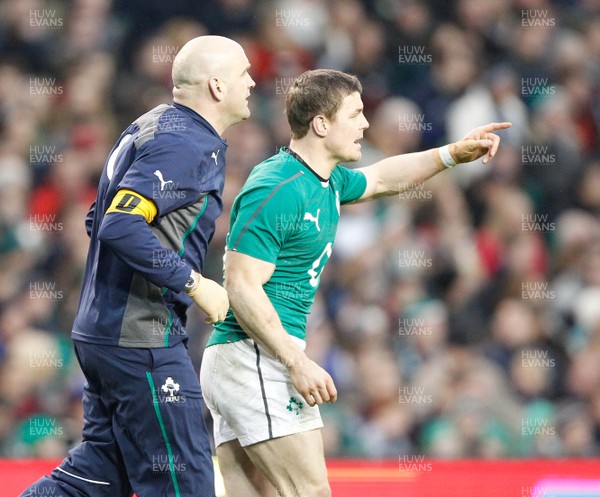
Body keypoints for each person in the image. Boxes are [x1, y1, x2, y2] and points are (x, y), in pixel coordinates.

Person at [199, 68, 511, 497]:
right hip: (254, 355)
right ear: (322, 124)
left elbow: (383, 178)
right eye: (356, 114)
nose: (366, 124)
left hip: (246, 358)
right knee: (310, 492)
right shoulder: (276, 187)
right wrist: (296, 360)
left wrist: (453, 154)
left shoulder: (324, 181)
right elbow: (241, 285)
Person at [20, 35, 255, 497]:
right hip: (142, 340)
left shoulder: (149, 125)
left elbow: (98, 216)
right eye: (243, 73)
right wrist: (193, 282)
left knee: (98, 476)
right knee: (184, 482)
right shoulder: (188, 146)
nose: (252, 82)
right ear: (216, 86)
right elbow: (119, 225)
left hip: (103, 330)